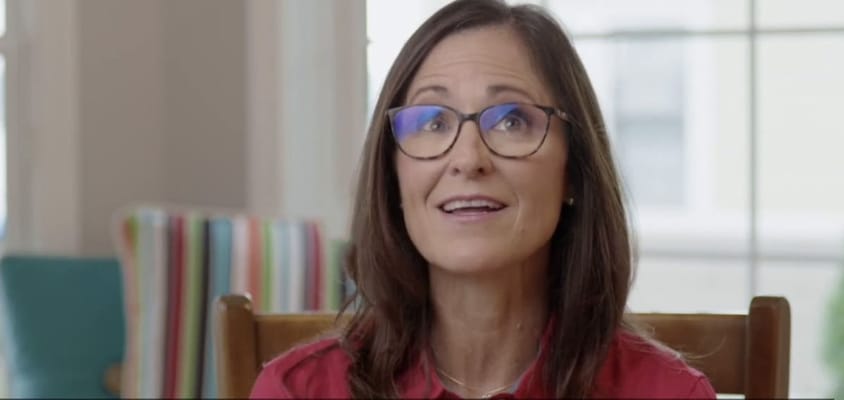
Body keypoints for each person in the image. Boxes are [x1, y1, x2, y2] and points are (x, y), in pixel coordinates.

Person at [251, 0, 716, 398]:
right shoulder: (298, 390)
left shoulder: (672, 391)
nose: (468, 159)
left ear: (573, 170)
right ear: (393, 175)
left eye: (512, 120)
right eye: (433, 122)